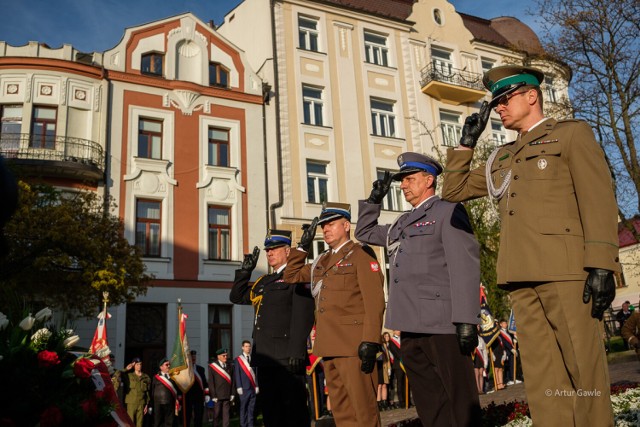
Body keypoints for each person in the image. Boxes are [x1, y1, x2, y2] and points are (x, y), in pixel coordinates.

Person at [442, 64, 620, 426]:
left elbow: (598, 199)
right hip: (520, 276)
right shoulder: (502, 157)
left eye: (505, 99)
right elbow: (453, 191)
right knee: (543, 379)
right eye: (498, 102)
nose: (500, 108)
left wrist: (602, 264)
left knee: (584, 372)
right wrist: (466, 145)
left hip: (568, 273)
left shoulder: (571, 135)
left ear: (531, 95)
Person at [356, 153, 482, 427]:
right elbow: (364, 233)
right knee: (429, 402)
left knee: (461, 400)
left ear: (429, 180)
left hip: (444, 324)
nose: (402, 185)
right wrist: (373, 200)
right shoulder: (402, 222)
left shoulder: (448, 210)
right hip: (410, 325)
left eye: (409, 179)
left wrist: (467, 319)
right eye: (402, 180)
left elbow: (465, 266)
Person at [284, 202, 386, 427]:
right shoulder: (321, 260)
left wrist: (370, 340)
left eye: (331, 224)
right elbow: (290, 275)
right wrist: (302, 246)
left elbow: (374, 302)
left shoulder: (361, 255)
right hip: (328, 347)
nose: (326, 229)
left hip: (354, 347)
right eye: (323, 226)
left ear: (347, 225)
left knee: (364, 413)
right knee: (343, 415)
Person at [229, 230, 315, 427]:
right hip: (265, 356)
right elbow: (236, 297)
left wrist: (297, 350)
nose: (269, 253)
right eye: (268, 249)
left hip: (287, 356)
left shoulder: (296, 275)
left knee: (293, 412)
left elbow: (303, 314)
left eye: (274, 249)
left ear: (287, 251)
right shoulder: (263, 281)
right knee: (271, 412)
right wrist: (245, 272)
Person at [208, 348, 234, 427]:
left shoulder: (230, 366)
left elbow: (233, 381)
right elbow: (211, 382)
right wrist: (213, 395)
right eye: (224, 355)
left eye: (226, 355)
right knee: (216, 415)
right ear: (218, 356)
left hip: (227, 394)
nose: (226, 357)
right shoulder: (213, 367)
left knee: (226, 415)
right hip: (217, 396)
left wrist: (232, 393)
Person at [234, 341, 258, 427]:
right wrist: (239, 386)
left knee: (251, 409)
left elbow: (255, 374)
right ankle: (243, 425)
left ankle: (250, 425)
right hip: (243, 388)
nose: (248, 348)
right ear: (242, 347)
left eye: (249, 346)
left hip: (252, 388)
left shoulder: (253, 359)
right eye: (246, 346)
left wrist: (257, 385)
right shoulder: (238, 360)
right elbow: (237, 373)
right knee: (243, 409)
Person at [122, 357, 150, 427]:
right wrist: (126, 369)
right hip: (131, 403)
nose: (139, 366)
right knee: (130, 422)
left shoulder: (146, 377)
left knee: (140, 424)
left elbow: (147, 392)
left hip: (141, 403)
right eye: (137, 364)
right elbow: (118, 375)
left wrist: (147, 404)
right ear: (134, 365)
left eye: (140, 364)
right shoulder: (129, 376)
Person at [151, 358, 179, 427]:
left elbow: (176, 389)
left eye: (169, 364)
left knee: (169, 422)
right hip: (158, 403)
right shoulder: (155, 377)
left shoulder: (173, 377)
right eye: (166, 365)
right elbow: (152, 390)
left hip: (170, 403)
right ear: (161, 367)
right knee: (157, 422)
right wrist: (151, 404)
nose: (169, 366)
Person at [185, 350, 206, 427]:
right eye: (191, 357)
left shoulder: (201, 369)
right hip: (187, 396)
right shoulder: (184, 370)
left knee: (198, 416)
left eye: (194, 356)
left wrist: (206, 394)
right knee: (187, 416)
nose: (193, 358)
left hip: (198, 397)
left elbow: (204, 383)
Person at [387, 330, 406, 409]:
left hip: (406, 363)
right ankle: (402, 402)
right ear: (393, 331)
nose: (399, 331)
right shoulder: (391, 342)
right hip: (398, 364)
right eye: (397, 330)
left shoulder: (403, 339)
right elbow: (396, 353)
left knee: (406, 383)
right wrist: (403, 357)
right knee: (400, 383)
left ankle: (407, 400)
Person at [377, 332, 392, 410]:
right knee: (379, 385)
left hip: (384, 367)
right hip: (378, 367)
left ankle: (384, 402)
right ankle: (378, 403)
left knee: (384, 385)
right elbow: (378, 358)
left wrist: (389, 368)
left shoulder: (384, 345)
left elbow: (388, 358)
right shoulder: (376, 346)